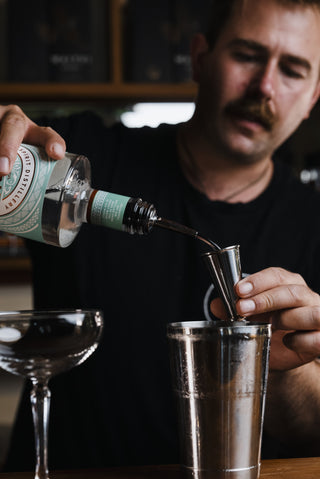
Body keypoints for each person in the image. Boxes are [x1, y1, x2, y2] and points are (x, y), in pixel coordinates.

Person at [1, 0, 320, 471]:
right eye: (247, 55)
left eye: (292, 70)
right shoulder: (77, 161)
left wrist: (283, 368)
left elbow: (311, 431)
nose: (264, 87)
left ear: (314, 95)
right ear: (199, 59)